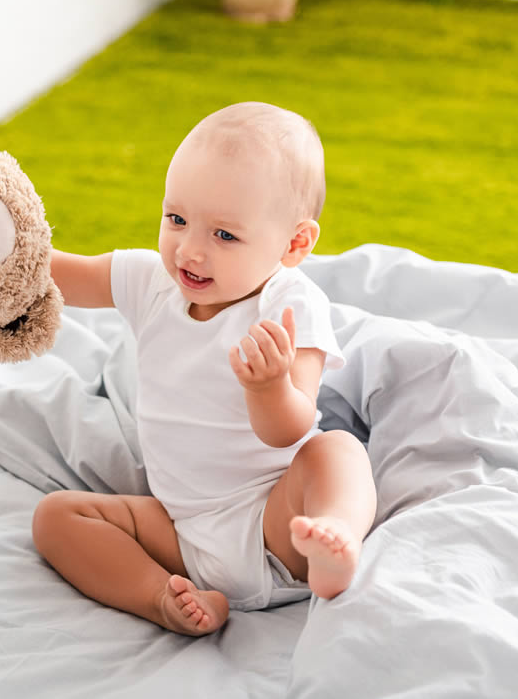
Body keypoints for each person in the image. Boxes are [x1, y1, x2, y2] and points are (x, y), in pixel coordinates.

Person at [30, 101, 377, 636]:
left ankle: (336, 538)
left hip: (274, 525)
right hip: (181, 531)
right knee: (56, 518)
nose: (189, 251)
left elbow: (288, 428)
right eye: (177, 219)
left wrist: (267, 386)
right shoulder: (153, 282)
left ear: (294, 244)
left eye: (224, 236)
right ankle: (165, 598)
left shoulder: (288, 305)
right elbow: (63, 275)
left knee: (335, 452)